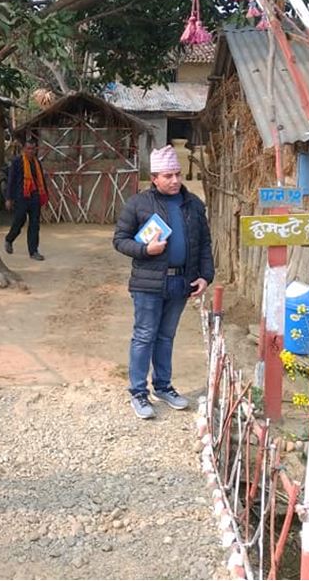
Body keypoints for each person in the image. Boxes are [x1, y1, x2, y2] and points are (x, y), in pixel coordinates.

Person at [113, 145, 214, 419]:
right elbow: (120, 240)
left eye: (177, 174)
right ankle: (138, 392)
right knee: (144, 335)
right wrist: (146, 250)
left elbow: (204, 243)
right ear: (155, 177)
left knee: (166, 336)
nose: (175, 180)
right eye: (168, 176)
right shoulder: (138, 204)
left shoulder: (193, 204)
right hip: (148, 284)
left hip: (181, 282)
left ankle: (163, 386)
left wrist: (205, 276)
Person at [4, 135, 48, 261]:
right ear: (24, 149)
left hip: (35, 197)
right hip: (21, 196)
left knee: (34, 224)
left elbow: (41, 180)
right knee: (20, 220)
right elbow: (11, 180)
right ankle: (9, 239)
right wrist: (9, 198)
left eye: (33, 149)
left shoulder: (37, 163)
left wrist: (45, 197)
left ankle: (33, 251)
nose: (31, 151)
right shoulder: (17, 162)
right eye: (28, 149)